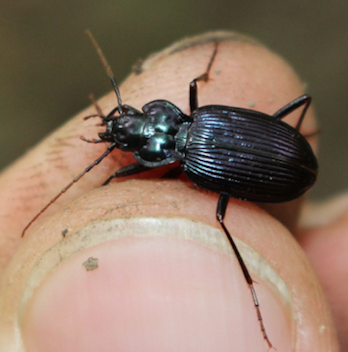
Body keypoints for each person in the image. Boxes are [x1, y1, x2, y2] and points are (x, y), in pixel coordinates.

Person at [0, 31, 343, 351]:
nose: (121, 122)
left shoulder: (187, 161)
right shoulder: (200, 116)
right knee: (298, 101)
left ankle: (252, 289)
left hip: (286, 165)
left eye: (126, 117)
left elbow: (123, 171)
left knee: (219, 219)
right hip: (287, 153)